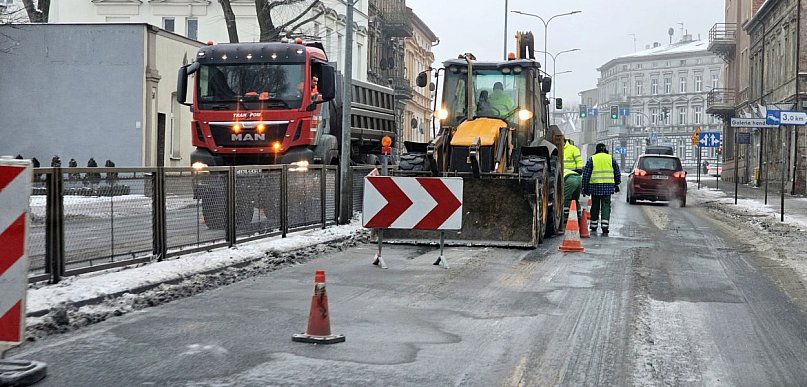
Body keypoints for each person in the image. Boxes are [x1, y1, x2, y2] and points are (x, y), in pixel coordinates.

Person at [582, 143, 621, 234]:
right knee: (606, 206)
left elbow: (586, 175)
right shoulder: (611, 159)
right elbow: (617, 173)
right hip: (608, 187)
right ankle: (605, 226)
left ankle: (593, 225)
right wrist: (616, 184)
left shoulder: (592, 159)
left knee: (595, 206)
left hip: (595, 187)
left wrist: (584, 187)